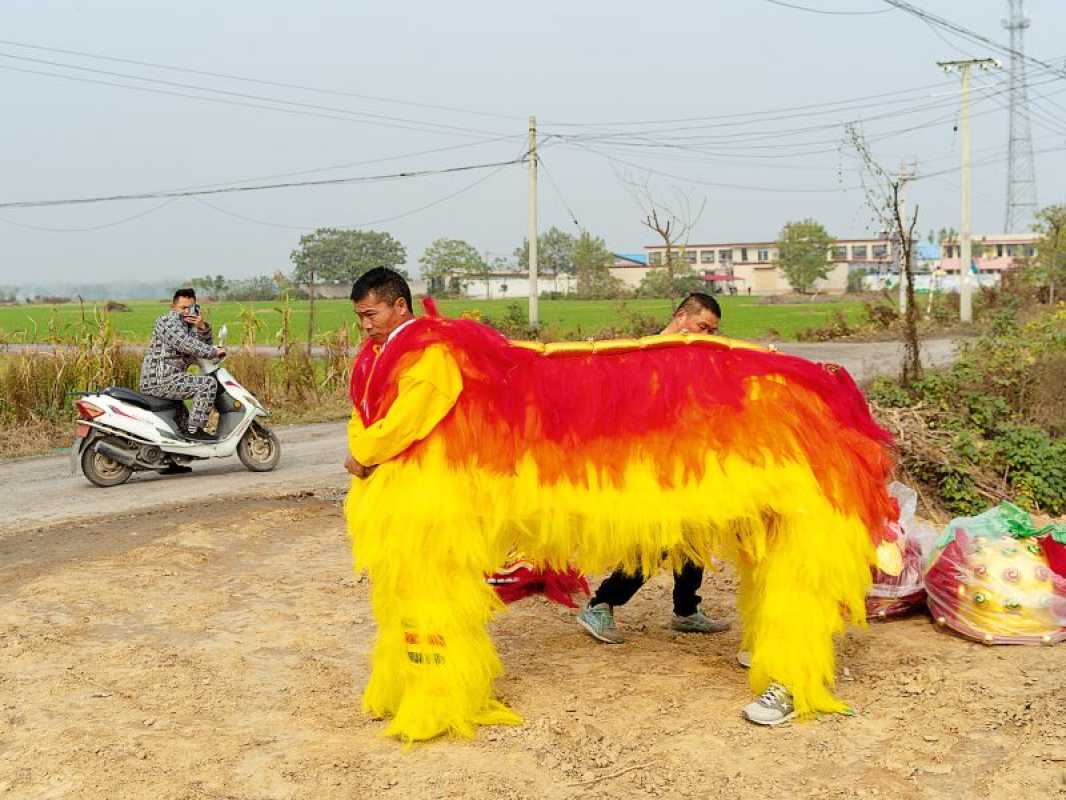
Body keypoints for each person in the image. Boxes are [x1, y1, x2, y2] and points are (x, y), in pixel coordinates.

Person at [577, 292, 730, 645]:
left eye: (712, 331)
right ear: (680, 316)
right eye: (702, 326)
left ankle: (686, 610)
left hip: (684, 461)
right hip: (646, 465)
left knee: (696, 531)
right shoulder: (640, 355)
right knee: (660, 540)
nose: (705, 335)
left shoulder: (693, 359)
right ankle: (601, 604)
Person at [140, 288, 225, 442]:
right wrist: (213, 352)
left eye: (191, 308)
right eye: (183, 308)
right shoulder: (166, 322)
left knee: (182, 424)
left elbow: (201, 346)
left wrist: (202, 327)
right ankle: (195, 432)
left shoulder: (189, 327)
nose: (187, 311)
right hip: (160, 378)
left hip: (173, 378)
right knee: (207, 385)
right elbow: (185, 344)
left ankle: (176, 458)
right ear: (173, 307)